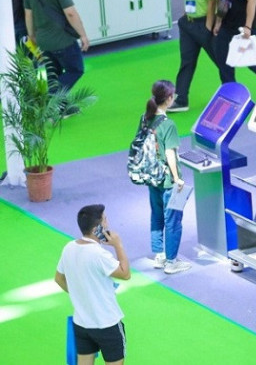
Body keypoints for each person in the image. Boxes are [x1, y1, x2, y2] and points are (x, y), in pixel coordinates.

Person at [55, 204, 130, 365]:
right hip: (108, 324)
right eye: (105, 220)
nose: (107, 224)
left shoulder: (68, 248)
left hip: (82, 324)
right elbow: (125, 273)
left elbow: (59, 278)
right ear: (97, 229)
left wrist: (81, 295)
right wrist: (118, 245)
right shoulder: (99, 254)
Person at [23, 0, 90, 94]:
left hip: (43, 41)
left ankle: (59, 105)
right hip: (63, 40)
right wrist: (83, 35)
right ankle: (51, 96)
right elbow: (70, 13)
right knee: (76, 70)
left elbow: (28, 15)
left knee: (53, 75)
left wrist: (32, 36)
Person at [142, 80, 191, 274]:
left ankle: (160, 255)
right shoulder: (168, 125)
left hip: (151, 176)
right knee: (173, 220)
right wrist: (177, 178)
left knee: (156, 214)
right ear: (169, 99)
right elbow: (170, 153)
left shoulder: (145, 118)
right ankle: (171, 262)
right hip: (167, 180)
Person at [167, 0, 218, 113]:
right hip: (188, 23)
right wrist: (185, 15)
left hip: (204, 24)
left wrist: (208, 27)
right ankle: (181, 99)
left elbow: (211, 2)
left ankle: (233, 92)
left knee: (221, 61)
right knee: (186, 62)